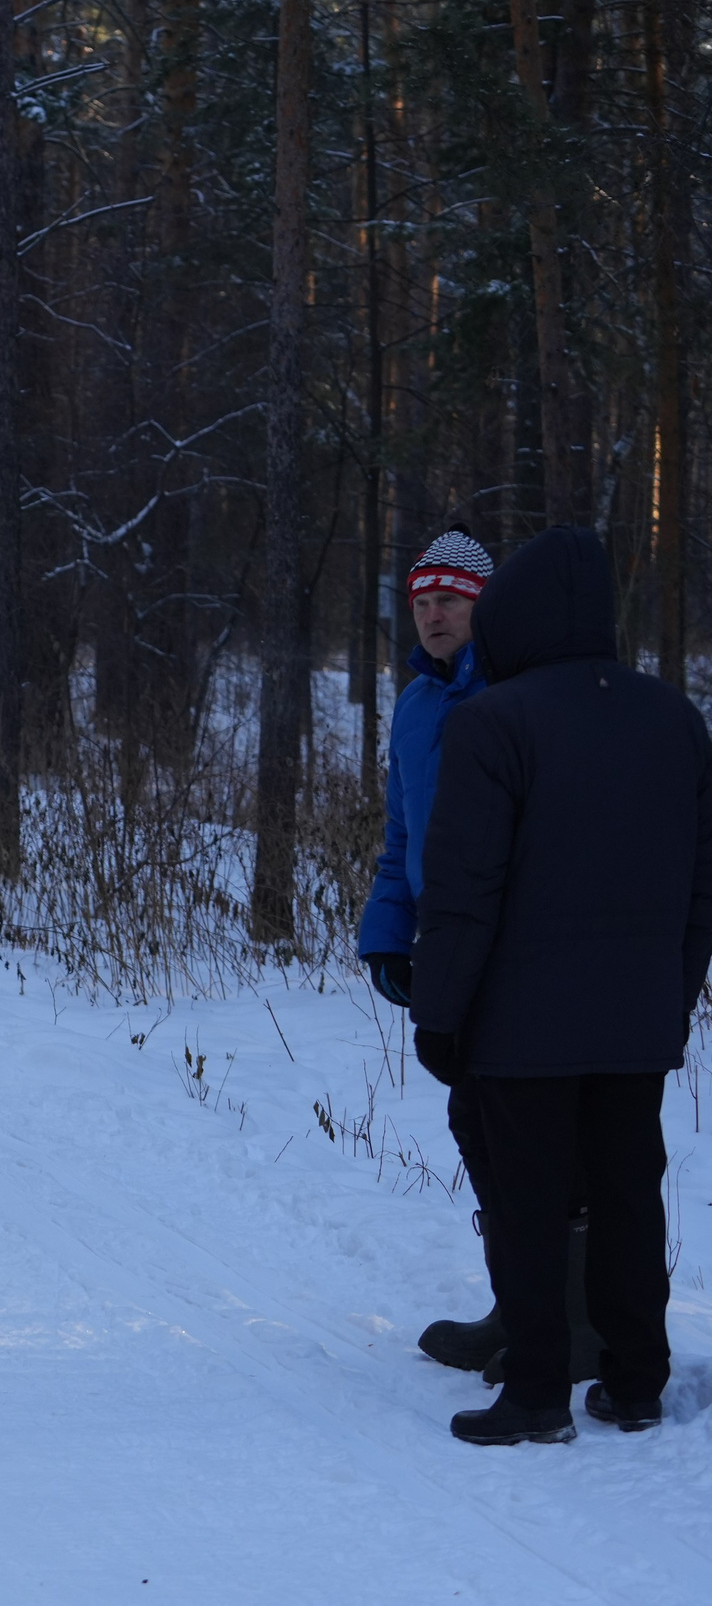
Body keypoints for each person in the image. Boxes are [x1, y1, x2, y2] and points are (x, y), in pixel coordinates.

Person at [411, 524, 712, 1444]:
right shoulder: (676, 718)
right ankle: (635, 1380)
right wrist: (674, 990)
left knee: (529, 1201)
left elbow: (466, 889)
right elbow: (700, 880)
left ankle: (537, 1391)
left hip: (521, 1019)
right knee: (629, 1191)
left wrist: (440, 1012)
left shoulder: (492, 721)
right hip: (637, 1016)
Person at [357, 526, 526, 1373]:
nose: (433, 615)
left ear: (483, 605)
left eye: (449, 600)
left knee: (528, 1128)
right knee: (476, 1122)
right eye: (422, 603)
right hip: (445, 945)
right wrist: (386, 934)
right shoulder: (418, 705)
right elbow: (400, 836)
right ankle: (518, 1306)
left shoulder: (515, 695)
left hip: (519, 946)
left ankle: (559, 1319)